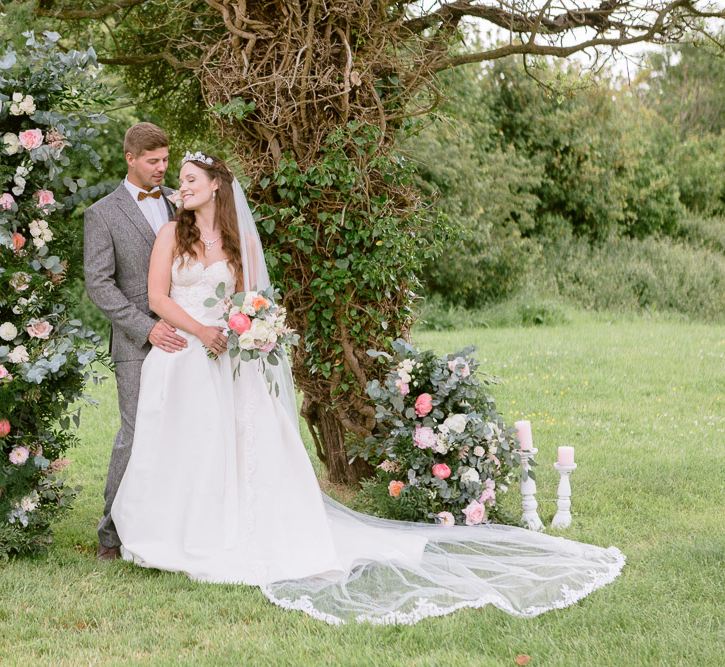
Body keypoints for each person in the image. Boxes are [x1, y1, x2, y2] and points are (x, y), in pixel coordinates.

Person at [110, 151, 625, 625]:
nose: (182, 187)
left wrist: (251, 326)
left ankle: (242, 526)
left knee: (236, 447)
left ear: (217, 186)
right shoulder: (170, 237)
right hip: (185, 355)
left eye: (191, 180)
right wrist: (201, 331)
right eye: (180, 180)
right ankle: (175, 533)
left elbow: (249, 299)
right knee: (188, 445)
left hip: (231, 357)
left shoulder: (237, 242)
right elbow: (157, 296)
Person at [83, 122, 189, 562]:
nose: (163, 169)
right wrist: (145, 327)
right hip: (135, 343)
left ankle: (172, 521)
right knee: (135, 431)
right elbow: (99, 285)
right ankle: (111, 533)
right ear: (130, 158)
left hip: (185, 339)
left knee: (183, 429)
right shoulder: (102, 214)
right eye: (153, 162)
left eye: (166, 160)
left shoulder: (180, 204)